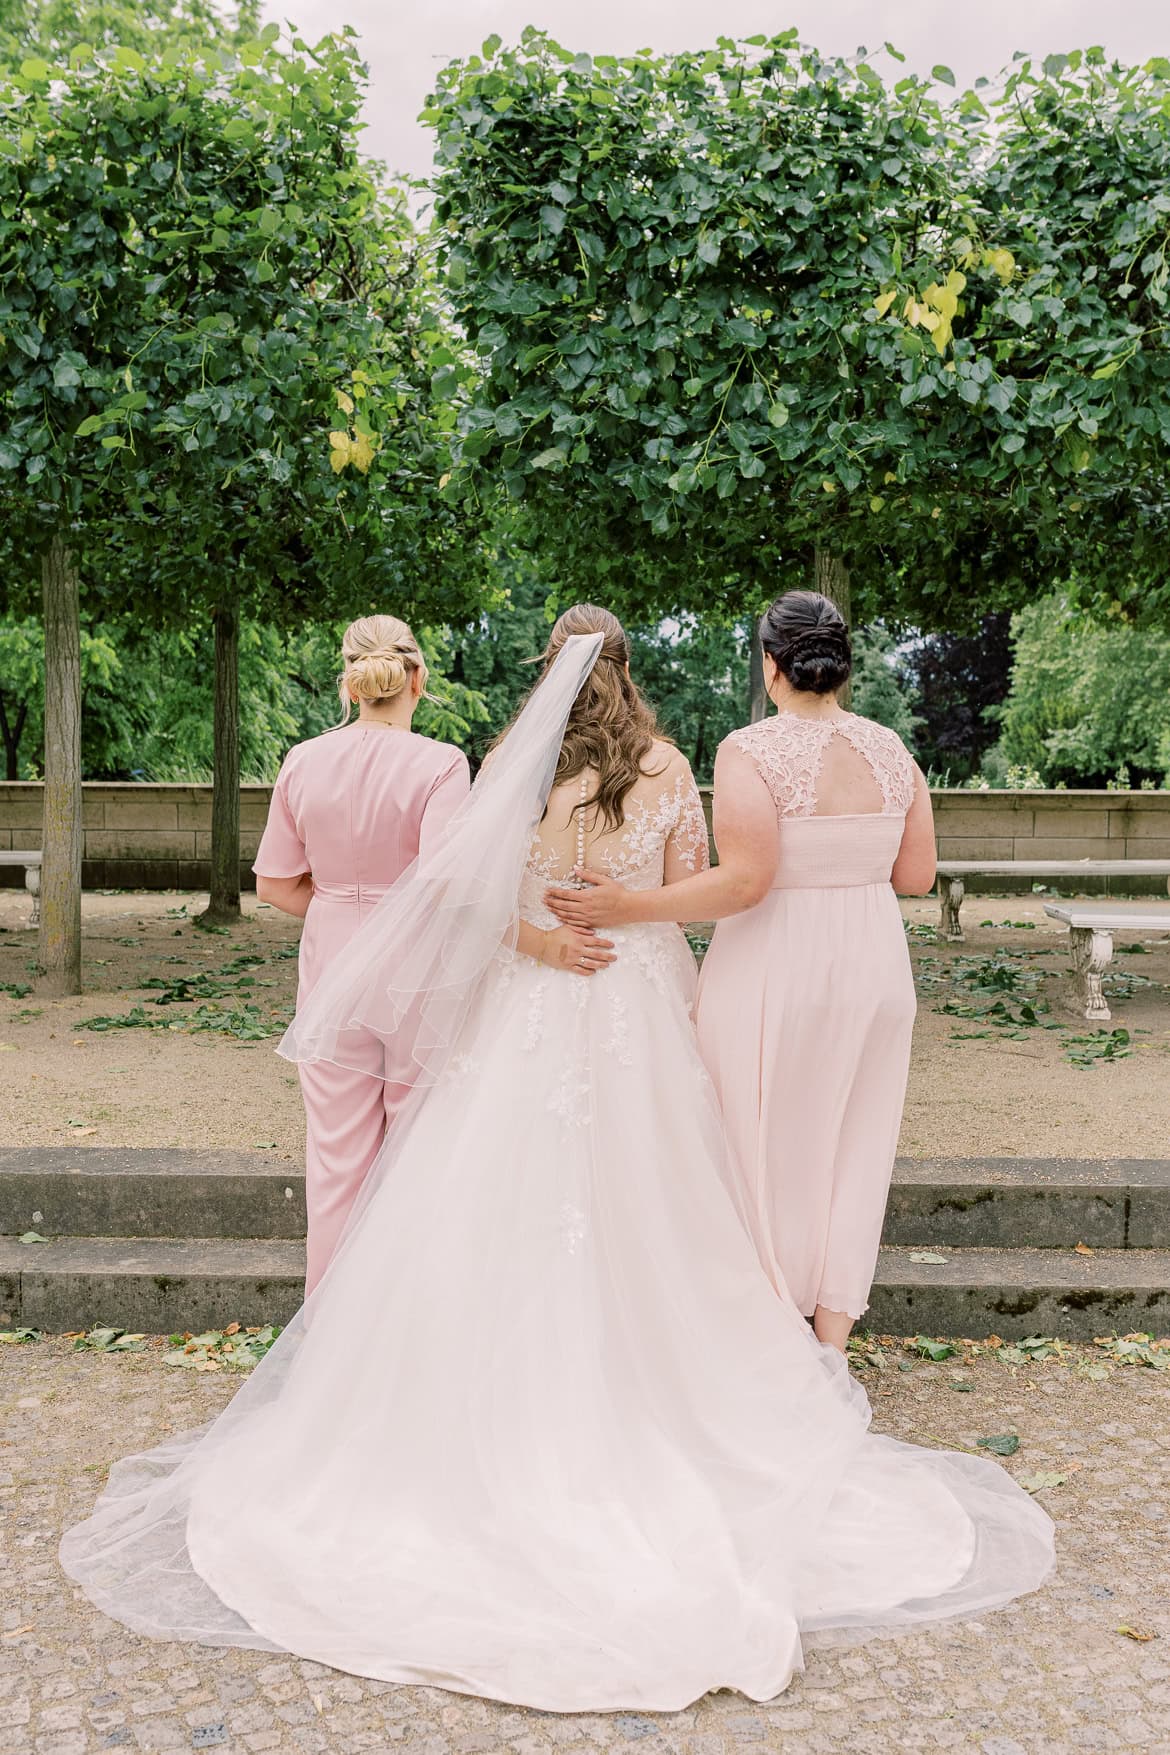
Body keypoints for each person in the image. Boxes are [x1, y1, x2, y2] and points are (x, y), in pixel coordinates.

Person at [60, 607, 1051, 1715]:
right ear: (630, 672)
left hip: (537, 1001)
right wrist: (631, 919)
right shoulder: (673, 763)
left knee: (486, 1196)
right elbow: (684, 885)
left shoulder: (509, 769)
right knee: (668, 1197)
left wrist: (541, 934)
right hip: (636, 994)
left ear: (551, 674)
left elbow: (472, 896)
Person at [546, 590, 936, 1352]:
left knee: (753, 1136)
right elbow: (916, 874)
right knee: (855, 1138)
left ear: (770, 664)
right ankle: (830, 1339)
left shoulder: (750, 750)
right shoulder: (893, 748)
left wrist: (627, 906)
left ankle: (765, 1322)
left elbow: (745, 882)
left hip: (777, 959)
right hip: (875, 962)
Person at [252, 614, 470, 1292]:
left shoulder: (303, 760)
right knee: (413, 1155)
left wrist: (338, 899)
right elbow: (441, 886)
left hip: (331, 969)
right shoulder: (441, 765)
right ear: (418, 679)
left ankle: (329, 1332)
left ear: (347, 683)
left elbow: (274, 884)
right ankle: (401, 1328)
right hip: (413, 972)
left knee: (337, 1161)